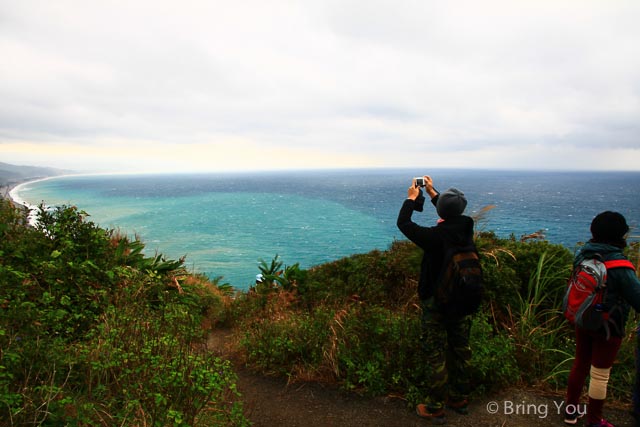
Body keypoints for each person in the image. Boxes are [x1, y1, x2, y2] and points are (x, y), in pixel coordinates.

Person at [396, 175, 475, 424]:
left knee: (435, 352)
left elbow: (404, 224)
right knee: (460, 348)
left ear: (441, 211)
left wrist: (411, 199)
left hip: (436, 302)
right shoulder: (467, 227)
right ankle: (460, 398)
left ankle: (435, 406)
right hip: (462, 299)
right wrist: (431, 192)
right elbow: (450, 212)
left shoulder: (434, 237)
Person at [564, 211, 640, 427]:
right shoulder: (621, 267)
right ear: (619, 235)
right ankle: (595, 421)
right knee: (600, 374)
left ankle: (570, 412)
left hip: (583, 317)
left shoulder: (583, 255)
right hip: (608, 326)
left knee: (579, 364)